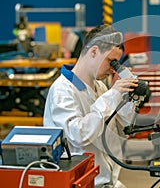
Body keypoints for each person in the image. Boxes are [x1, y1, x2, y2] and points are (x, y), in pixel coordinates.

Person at [43, 25, 138, 188]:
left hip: (108, 181)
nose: (113, 69)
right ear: (93, 52)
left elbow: (120, 131)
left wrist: (129, 100)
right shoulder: (63, 90)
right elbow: (79, 135)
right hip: (80, 183)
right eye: (111, 61)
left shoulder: (100, 87)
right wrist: (111, 96)